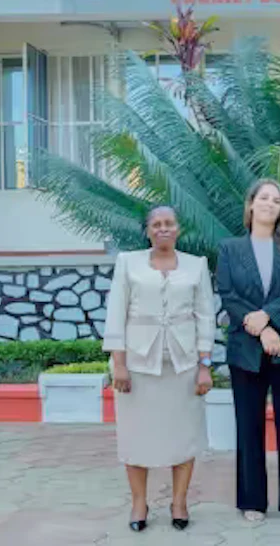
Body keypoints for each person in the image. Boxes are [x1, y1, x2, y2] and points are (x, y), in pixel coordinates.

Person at [102, 205, 216, 533]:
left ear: (178, 229)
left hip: (183, 367)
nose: (163, 228)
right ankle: (139, 501)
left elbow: (205, 319)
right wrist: (119, 364)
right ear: (148, 230)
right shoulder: (128, 263)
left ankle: (179, 501)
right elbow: (116, 314)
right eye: (156, 224)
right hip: (136, 367)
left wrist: (205, 367)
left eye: (169, 223)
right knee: (137, 438)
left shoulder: (197, 266)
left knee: (184, 436)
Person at [216, 179, 280, 526]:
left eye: (276, 200)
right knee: (249, 426)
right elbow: (229, 295)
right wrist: (263, 329)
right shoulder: (230, 249)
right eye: (263, 198)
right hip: (247, 348)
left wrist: (269, 316)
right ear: (250, 205)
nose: (269, 204)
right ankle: (253, 501)